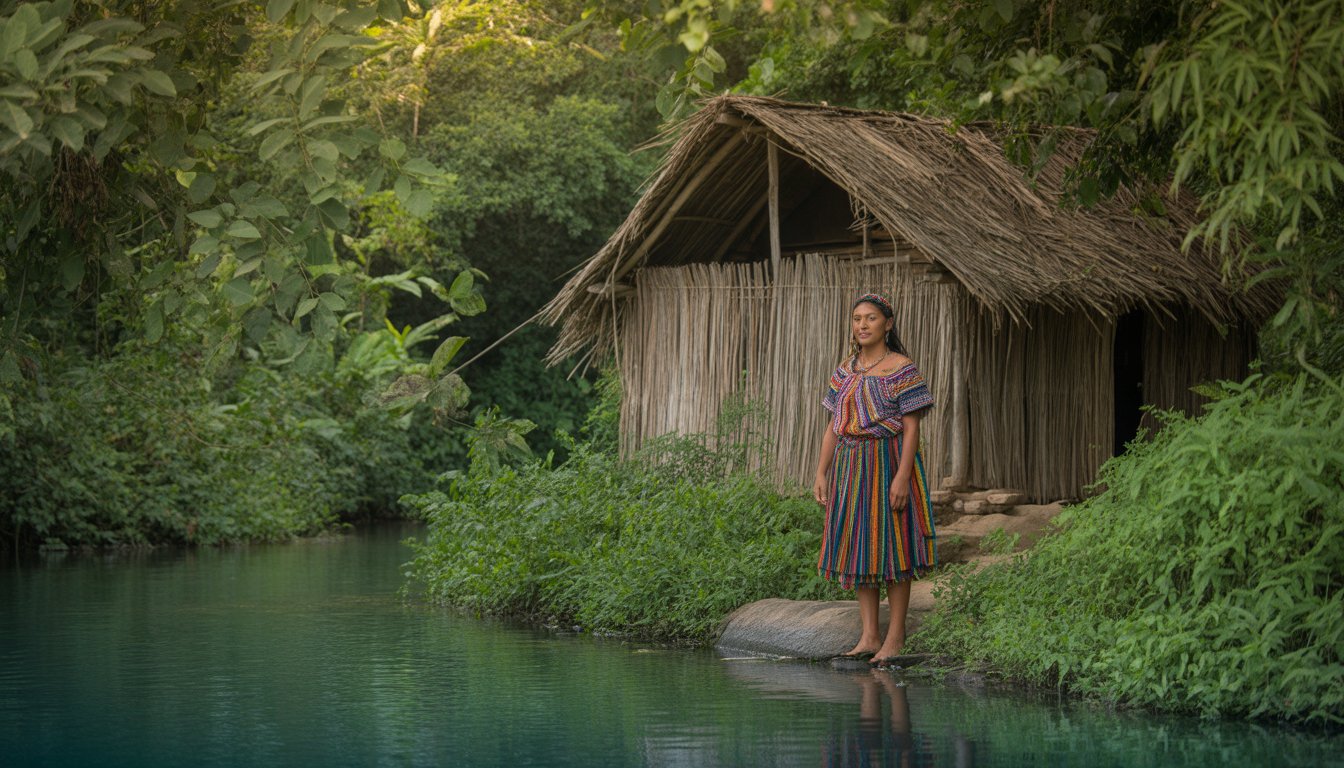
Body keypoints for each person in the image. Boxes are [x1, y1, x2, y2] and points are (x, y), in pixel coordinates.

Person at [813, 292, 936, 667]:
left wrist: (902, 477)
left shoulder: (902, 368)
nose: (862, 325)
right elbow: (834, 426)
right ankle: (869, 635)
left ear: (888, 324)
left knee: (894, 547)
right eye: (856, 319)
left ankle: (895, 637)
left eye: (870, 318)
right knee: (860, 547)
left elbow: (912, 430)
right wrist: (821, 471)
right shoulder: (844, 370)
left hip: (888, 461)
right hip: (851, 467)